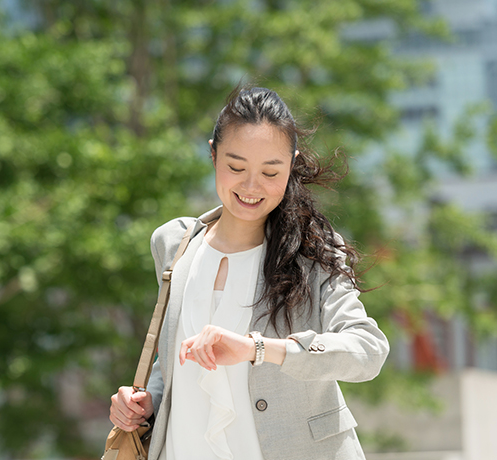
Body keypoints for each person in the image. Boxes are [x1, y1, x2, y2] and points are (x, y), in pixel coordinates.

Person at [109, 86, 389, 460]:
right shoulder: (174, 243)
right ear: (212, 154)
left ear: (291, 164)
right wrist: (146, 404)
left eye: (270, 171)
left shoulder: (313, 252)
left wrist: (259, 349)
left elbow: (367, 351)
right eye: (236, 167)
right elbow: (173, 355)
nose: (251, 187)